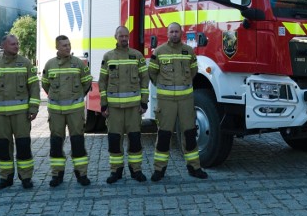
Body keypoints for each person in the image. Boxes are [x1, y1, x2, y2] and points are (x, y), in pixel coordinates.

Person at [149, 22, 208, 182]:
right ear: (167, 34)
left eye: (176, 31)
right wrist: (163, 87)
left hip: (185, 100)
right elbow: (152, 73)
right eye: (171, 31)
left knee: (189, 134)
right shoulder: (159, 52)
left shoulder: (189, 51)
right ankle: (159, 169)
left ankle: (194, 167)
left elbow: (194, 71)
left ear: (181, 33)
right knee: (163, 135)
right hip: (166, 101)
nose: (174, 34)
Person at [0, 35, 40, 189]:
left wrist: (33, 109)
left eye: (17, 44)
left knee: (23, 146)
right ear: (4, 45)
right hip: (1, 116)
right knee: (3, 146)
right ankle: (5, 177)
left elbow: (34, 88)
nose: (16, 46)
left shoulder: (25, 63)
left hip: (21, 115)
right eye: (13, 44)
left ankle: (26, 177)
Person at [98, 26, 149, 184]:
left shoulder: (137, 56)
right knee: (114, 141)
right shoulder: (108, 57)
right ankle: (116, 171)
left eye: (126, 36)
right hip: (114, 110)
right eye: (121, 36)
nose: (124, 38)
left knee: (135, 140)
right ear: (115, 37)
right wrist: (104, 105)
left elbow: (144, 79)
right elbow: (102, 82)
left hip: (134, 108)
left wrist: (144, 102)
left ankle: (136, 170)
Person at [42, 35, 93, 187]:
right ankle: (57, 175)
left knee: (77, 142)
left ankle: (81, 174)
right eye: (64, 45)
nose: (68, 48)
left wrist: (77, 97)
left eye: (69, 45)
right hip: (56, 112)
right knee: (56, 143)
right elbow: (45, 85)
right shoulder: (50, 64)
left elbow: (87, 82)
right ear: (57, 47)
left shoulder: (78, 63)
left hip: (75, 112)